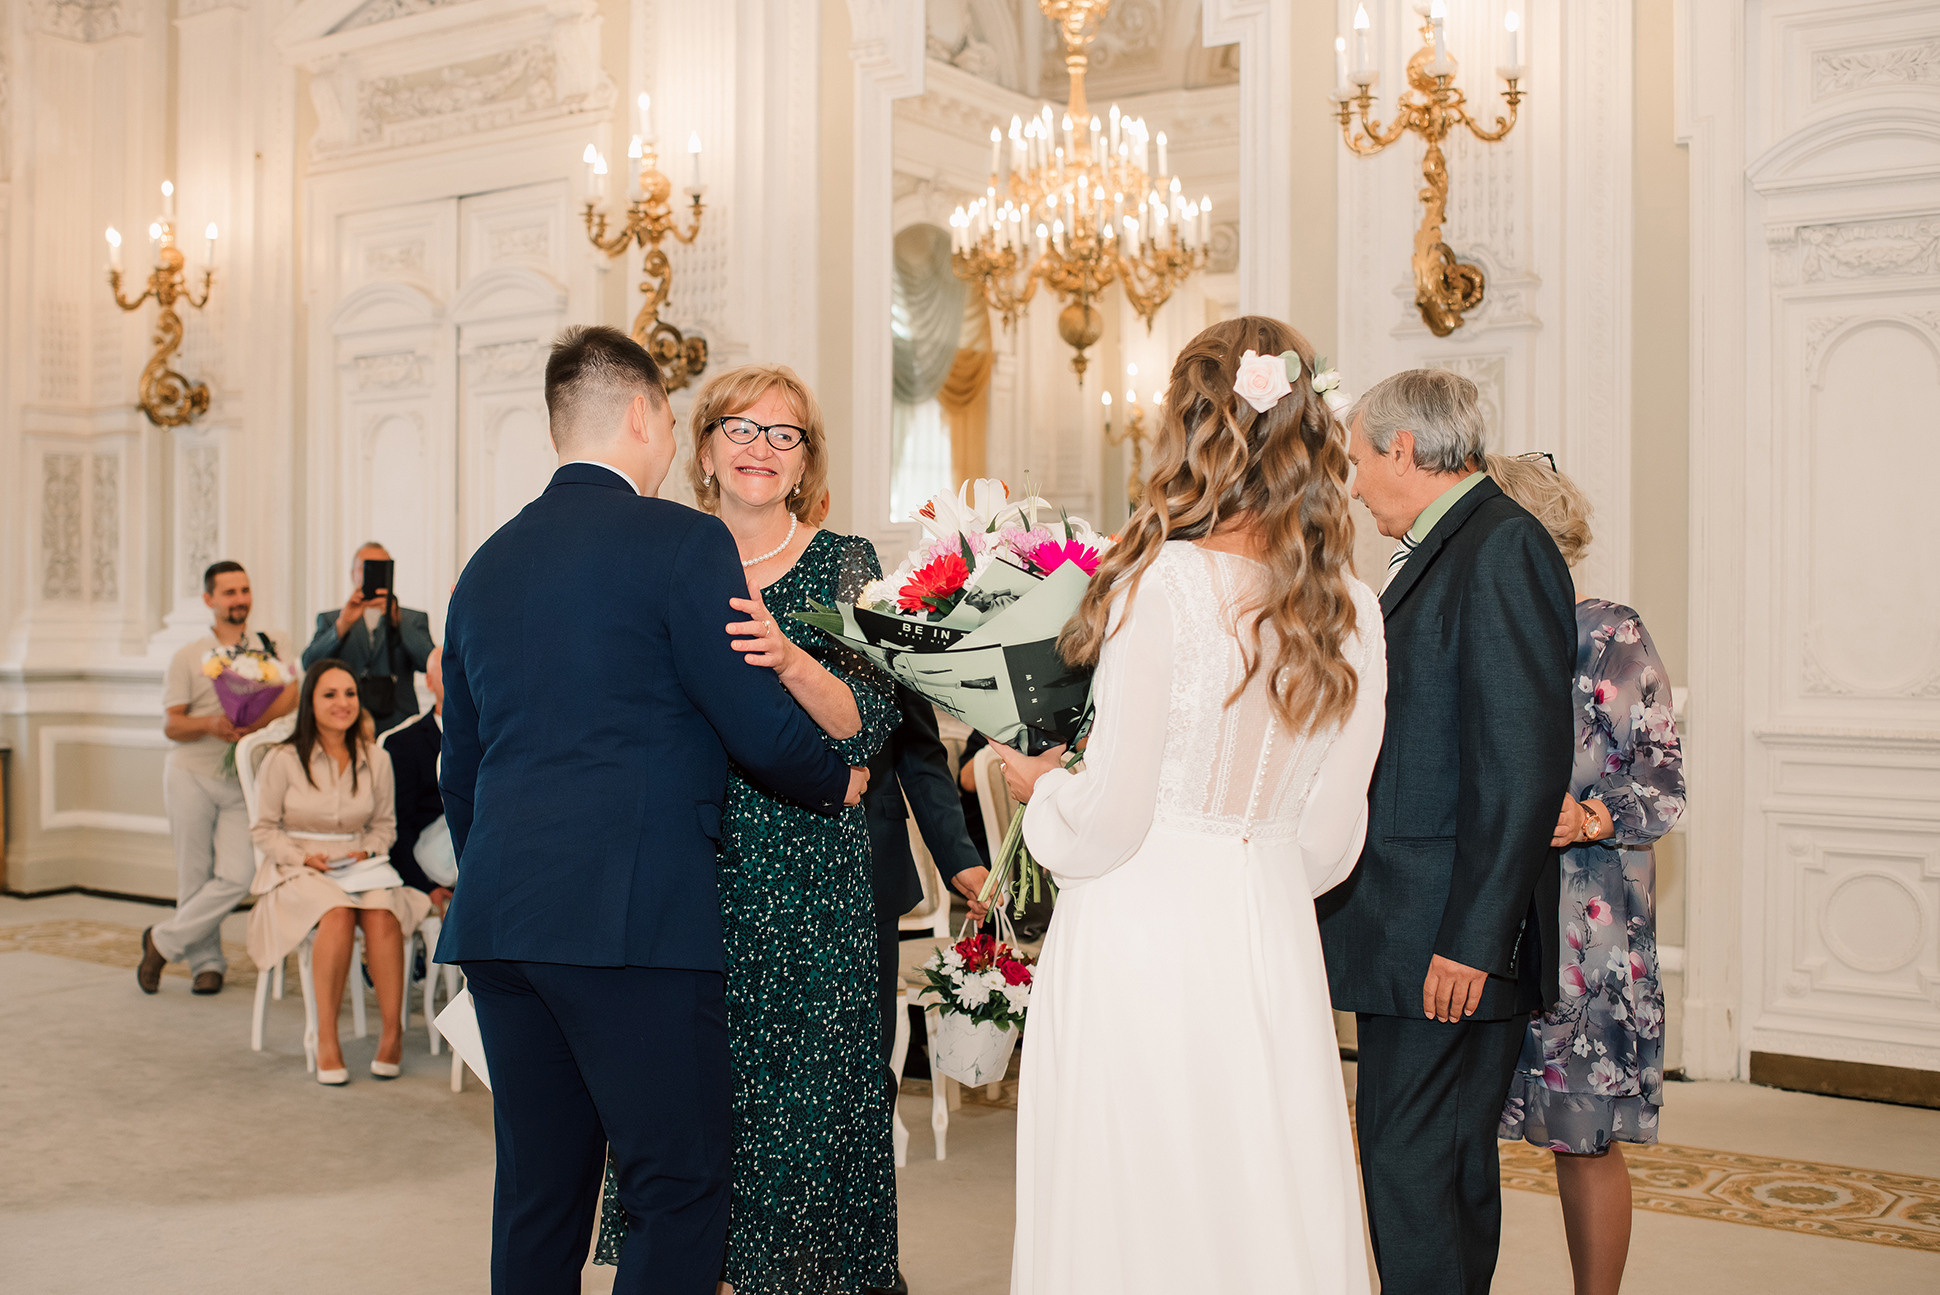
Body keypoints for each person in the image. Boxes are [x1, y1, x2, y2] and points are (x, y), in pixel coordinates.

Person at [435, 327, 863, 1295]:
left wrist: (502, 871)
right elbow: (747, 712)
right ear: (640, 414)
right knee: (676, 1184)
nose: (670, 437)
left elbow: (461, 761)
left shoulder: (487, 564)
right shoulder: (682, 539)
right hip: (632, 921)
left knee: (539, 1192)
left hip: (503, 918)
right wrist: (832, 777)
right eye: (670, 417)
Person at [991, 317, 1388, 1295]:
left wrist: (1040, 791)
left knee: (1134, 1185)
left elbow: (1110, 820)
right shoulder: (1351, 607)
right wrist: (1245, 870)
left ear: (1191, 428)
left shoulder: (1156, 585)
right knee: (1258, 1180)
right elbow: (1329, 843)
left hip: (1138, 928)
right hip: (1267, 927)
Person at [594, 365, 902, 1295]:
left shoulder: (846, 561)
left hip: (811, 867)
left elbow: (873, 724)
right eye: (741, 427)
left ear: (806, 459)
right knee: (696, 1099)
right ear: (704, 446)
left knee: (805, 1104)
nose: (760, 448)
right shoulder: (670, 553)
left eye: (785, 434)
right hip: (693, 861)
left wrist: (788, 658)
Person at [1315, 371, 1576, 1295]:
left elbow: (1521, 767)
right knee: (1443, 1167)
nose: (1349, 486)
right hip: (1425, 930)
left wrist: (1472, 942)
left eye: (1355, 461)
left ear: (1403, 449)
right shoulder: (1462, 542)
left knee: (1409, 1165)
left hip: (1445, 941)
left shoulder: (1500, 546)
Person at [1486, 453, 1686, 1295]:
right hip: (1486, 923)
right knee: (1457, 1135)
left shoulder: (1612, 635)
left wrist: (1592, 816)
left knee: (1585, 1140)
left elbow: (1665, 786)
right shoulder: (1480, 632)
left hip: (1587, 937)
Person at [246, 659, 432, 1084]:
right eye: (330, 694)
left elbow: (385, 826)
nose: (343, 703)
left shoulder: (376, 758)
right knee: (337, 913)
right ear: (310, 702)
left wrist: (367, 852)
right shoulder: (283, 759)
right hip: (300, 867)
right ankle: (326, 1037)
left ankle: (392, 1033)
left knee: (384, 915)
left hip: (361, 865)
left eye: (349, 693)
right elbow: (264, 829)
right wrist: (302, 858)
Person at [140, 561, 298, 996]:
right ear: (209, 600)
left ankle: (162, 940)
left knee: (239, 873)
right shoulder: (187, 656)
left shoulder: (273, 644)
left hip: (244, 779)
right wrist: (212, 724)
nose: (239, 599)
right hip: (190, 774)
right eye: (229, 592)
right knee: (193, 875)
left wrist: (252, 723)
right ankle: (206, 963)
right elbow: (172, 725)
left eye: (244, 590)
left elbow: (291, 693)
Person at [301, 542, 436, 734]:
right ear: (353, 574)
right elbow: (309, 663)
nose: (373, 574)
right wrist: (341, 626)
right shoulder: (332, 619)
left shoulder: (413, 619)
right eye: (366, 567)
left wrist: (399, 624)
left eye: (381, 568)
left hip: (399, 721)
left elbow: (429, 664)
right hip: (346, 719)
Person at [381, 645, 453, 912]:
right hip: (430, 868)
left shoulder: (495, 739)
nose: (460, 678)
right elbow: (398, 825)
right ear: (429, 681)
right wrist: (424, 885)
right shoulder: (403, 745)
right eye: (449, 671)